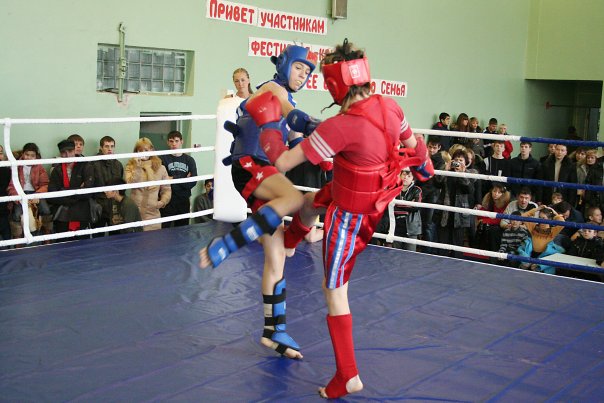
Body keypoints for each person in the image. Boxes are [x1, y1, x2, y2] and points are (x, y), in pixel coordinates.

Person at [250, 39, 434, 398]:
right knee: (311, 201)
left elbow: (282, 162)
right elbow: (415, 146)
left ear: (335, 83)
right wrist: (424, 166)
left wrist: (268, 124)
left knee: (334, 290)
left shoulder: (340, 126)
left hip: (351, 217)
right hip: (370, 198)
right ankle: (291, 242)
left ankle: (348, 374)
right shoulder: (390, 106)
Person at [198, 44, 319, 360]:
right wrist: (313, 125)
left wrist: (326, 151)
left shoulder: (289, 102)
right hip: (250, 163)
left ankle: (273, 331)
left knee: (276, 255)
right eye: (299, 68)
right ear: (284, 66)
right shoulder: (272, 88)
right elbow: (288, 111)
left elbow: (296, 147)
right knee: (294, 197)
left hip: (264, 174)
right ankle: (228, 243)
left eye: (308, 72)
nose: (303, 75)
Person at [47, 139, 95, 236]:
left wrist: (63, 191)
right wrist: (77, 191)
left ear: (74, 151)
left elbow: (88, 192)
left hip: (82, 214)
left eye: (70, 151)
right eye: (64, 152)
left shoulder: (85, 166)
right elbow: (51, 196)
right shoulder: (57, 170)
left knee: (82, 243)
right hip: (62, 216)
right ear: (60, 154)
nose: (67, 155)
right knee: (63, 243)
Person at [125, 137, 171, 231]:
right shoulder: (130, 166)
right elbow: (129, 183)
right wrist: (137, 168)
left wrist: (162, 202)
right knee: (134, 239)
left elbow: (166, 189)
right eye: (140, 150)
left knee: (153, 239)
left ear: (151, 150)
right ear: (136, 152)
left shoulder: (161, 168)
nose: (143, 153)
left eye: (146, 150)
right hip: (134, 212)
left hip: (153, 213)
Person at [7, 143, 52, 239]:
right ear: (23, 154)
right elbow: (11, 186)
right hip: (20, 194)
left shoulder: (39, 167)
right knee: (16, 214)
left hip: (36, 192)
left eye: (32, 156)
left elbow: (45, 184)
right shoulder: (16, 166)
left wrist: (37, 195)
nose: (29, 158)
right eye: (27, 155)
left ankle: (47, 237)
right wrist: (18, 198)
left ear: (36, 156)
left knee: (46, 210)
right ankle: (17, 241)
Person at [160, 130, 197, 227]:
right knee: (164, 230)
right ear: (168, 142)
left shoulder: (189, 160)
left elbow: (192, 182)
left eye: (176, 141)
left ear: (181, 142)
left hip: (183, 200)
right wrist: (184, 179)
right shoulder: (163, 159)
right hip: (168, 199)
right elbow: (162, 181)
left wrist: (173, 178)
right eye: (171, 141)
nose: (174, 144)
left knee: (182, 230)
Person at [517, 205, 565, 273]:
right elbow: (523, 217)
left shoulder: (553, 230)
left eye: (544, 218)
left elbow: (562, 222)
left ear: (549, 219)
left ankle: (538, 266)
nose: (541, 220)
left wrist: (554, 213)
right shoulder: (533, 227)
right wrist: (537, 209)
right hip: (531, 254)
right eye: (540, 217)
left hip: (544, 256)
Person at [92, 136, 124, 234]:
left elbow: (121, 186)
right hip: (99, 206)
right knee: (98, 237)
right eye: (106, 146)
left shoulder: (118, 165)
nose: (110, 149)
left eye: (112, 146)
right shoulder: (93, 164)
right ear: (101, 148)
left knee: (115, 236)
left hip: (115, 207)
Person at [0, 145, 12, 244]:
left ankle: (8, 247)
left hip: (3, 206)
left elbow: (7, 188)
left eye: (0, 153)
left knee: (4, 223)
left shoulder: (6, 170)